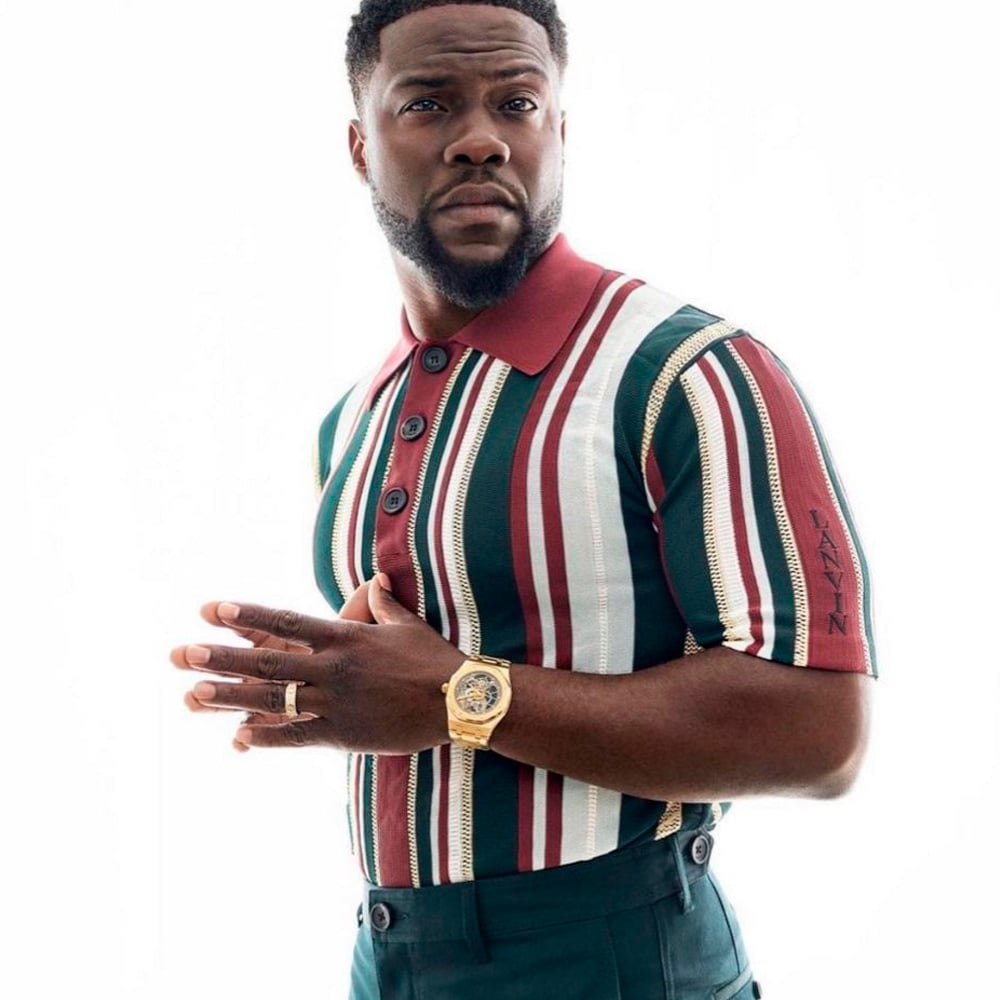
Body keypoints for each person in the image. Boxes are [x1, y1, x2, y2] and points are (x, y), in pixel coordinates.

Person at [173, 2, 876, 997]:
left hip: (613, 955)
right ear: (358, 144)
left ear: (560, 131)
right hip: (391, 953)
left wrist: (460, 694)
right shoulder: (354, 417)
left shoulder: (687, 373)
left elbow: (822, 735)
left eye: (517, 102)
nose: (477, 139)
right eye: (427, 104)